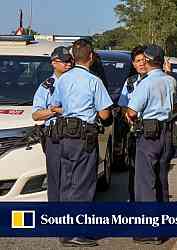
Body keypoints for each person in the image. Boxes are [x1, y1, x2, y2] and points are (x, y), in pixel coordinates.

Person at [50, 39, 113, 247]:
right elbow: (105, 114)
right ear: (92, 57)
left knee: (67, 183)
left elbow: (56, 105)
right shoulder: (94, 81)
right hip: (84, 137)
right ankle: (77, 232)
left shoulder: (63, 79)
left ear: (73, 58)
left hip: (64, 136)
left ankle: (65, 230)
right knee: (83, 185)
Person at [126, 44, 174, 245]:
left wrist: (131, 118)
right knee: (162, 179)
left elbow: (131, 111)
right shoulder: (171, 81)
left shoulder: (145, 84)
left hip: (148, 134)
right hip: (166, 132)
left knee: (145, 182)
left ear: (147, 60)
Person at [32, 46, 73, 202]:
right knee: (55, 179)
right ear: (54, 63)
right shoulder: (46, 86)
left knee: (73, 180)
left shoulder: (77, 83)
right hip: (55, 137)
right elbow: (36, 115)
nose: (68, 64)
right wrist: (55, 111)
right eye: (64, 61)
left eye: (70, 61)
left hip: (75, 136)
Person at [117, 45, 150, 202]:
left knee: (152, 174)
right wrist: (127, 116)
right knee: (134, 171)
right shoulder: (130, 82)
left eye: (144, 60)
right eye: (138, 61)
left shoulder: (157, 80)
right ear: (133, 64)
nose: (141, 64)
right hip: (134, 132)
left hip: (153, 132)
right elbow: (123, 104)